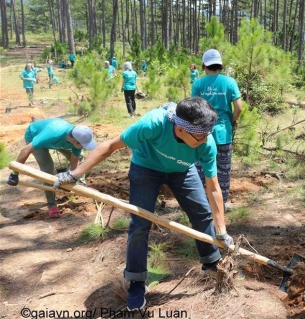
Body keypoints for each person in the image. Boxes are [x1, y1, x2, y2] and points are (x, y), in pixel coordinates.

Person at [53, 97, 232, 310]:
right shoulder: (153, 123)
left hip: (182, 170)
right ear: (181, 129)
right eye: (200, 136)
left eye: (206, 135)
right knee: (140, 224)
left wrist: (221, 232)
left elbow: (213, 188)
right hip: (146, 166)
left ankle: (211, 262)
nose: (204, 140)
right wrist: (75, 174)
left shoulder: (206, 141)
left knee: (202, 213)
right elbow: (110, 146)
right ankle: (136, 281)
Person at [7, 119, 97, 218]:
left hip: (58, 141)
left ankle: (81, 184)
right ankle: (51, 204)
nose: (84, 147)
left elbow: (74, 161)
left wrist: (74, 177)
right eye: (83, 145)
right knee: (48, 168)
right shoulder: (53, 134)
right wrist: (14, 174)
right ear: (75, 141)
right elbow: (25, 150)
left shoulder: (77, 137)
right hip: (34, 135)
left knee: (80, 156)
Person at [191, 49, 242, 212]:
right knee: (223, 169)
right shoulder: (229, 82)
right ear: (220, 64)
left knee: (200, 167)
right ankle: (222, 202)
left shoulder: (198, 83)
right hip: (223, 133)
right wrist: (231, 121)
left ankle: (200, 202)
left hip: (202, 133)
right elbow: (239, 108)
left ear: (204, 65)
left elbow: (194, 109)